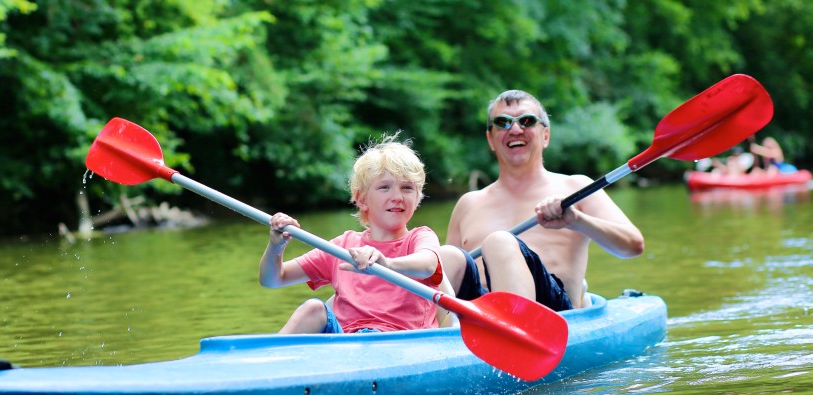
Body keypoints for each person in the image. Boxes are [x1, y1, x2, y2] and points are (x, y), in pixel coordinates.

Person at [439, 89, 644, 311]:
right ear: (490, 139)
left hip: (552, 312)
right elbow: (449, 279)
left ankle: (517, 332)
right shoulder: (468, 203)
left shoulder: (576, 188)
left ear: (545, 135)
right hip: (481, 315)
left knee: (500, 242)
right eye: (503, 122)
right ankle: (432, 335)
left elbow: (632, 245)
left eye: (526, 121)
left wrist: (576, 220)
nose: (515, 129)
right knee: (445, 257)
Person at [260, 134, 454, 334]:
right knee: (313, 309)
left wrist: (386, 264)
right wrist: (276, 246)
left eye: (407, 188)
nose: (397, 197)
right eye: (384, 187)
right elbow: (272, 279)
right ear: (361, 199)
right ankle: (267, 360)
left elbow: (428, 265)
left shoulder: (420, 237)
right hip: (348, 344)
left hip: (401, 341)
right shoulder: (343, 246)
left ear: (417, 197)